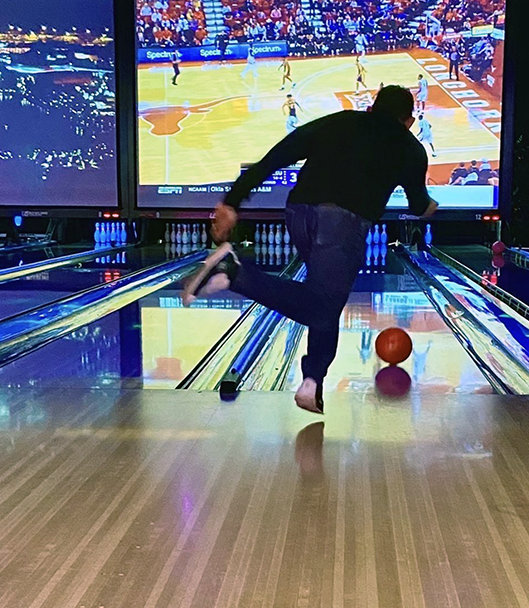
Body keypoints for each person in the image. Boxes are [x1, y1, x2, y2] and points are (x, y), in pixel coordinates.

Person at [183, 85, 437, 413]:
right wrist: (430, 207)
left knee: (324, 298)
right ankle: (233, 274)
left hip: (298, 213)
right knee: (323, 305)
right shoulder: (410, 148)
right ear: (409, 120)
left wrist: (232, 200)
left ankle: (312, 382)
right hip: (343, 224)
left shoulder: (338, 121)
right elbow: (418, 205)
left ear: (372, 107)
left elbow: (277, 156)